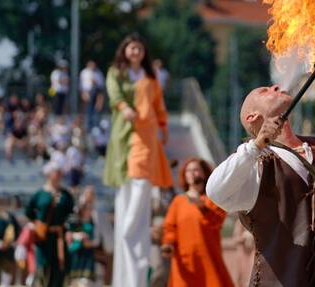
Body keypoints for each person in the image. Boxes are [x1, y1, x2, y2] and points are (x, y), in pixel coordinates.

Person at [207, 85, 315, 287]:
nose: (275, 87)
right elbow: (215, 192)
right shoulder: (253, 163)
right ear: (252, 117)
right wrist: (255, 146)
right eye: (264, 91)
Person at [102, 34, 173, 287]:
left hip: (147, 138)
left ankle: (134, 276)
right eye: (132, 48)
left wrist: (163, 126)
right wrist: (124, 108)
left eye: (139, 48)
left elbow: (158, 104)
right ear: (125, 50)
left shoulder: (150, 77)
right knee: (127, 205)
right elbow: (115, 95)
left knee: (138, 210)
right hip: (126, 136)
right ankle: (126, 278)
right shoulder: (116, 72)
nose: (136, 52)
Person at [161, 157, 233, 287]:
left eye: (196, 170)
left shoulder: (212, 199)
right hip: (184, 264)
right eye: (188, 170)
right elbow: (170, 228)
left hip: (208, 261)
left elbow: (217, 222)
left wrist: (202, 207)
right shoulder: (178, 201)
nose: (192, 173)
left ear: (204, 174)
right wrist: (168, 244)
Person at [25, 160, 75, 287]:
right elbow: (29, 211)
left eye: (60, 172)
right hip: (43, 238)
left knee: (59, 269)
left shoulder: (66, 195)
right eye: (56, 172)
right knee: (43, 269)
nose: (58, 175)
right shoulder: (40, 194)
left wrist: (69, 229)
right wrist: (37, 225)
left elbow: (72, 214)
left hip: (59, 237)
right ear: (48, 174)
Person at [66, 187, 99, 287]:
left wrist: (90, 243)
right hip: (75, 254)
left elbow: (97, 238)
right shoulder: (74, 216)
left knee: (85, 283)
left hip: (87, 255)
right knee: (73, 282)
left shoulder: (95, 216)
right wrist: (76, 236)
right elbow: (67, 233)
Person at [80, 60, 105, 131]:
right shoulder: (84, 72)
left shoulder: (98, 73)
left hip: (96, 92)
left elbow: (101, 86)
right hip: (87, 92)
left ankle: (96, 126)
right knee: (88, 110)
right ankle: (88, 126)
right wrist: (83, 93)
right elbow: (82, 85)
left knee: (96, 110)